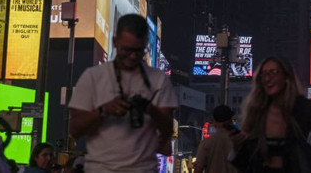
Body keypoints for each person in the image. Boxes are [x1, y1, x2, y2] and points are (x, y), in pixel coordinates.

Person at [69, 14, 177, 173]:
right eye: (127, 49)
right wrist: (103, 110)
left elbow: (167, 130)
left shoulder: (159, 80)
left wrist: (151, 110)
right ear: (115, 42)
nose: (133, 56)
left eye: (139, 50)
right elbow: (74, 129)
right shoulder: (93, 77)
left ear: (145, 45)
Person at [233, 57, 311, 172]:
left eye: (273, 72)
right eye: (264, 74)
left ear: (287, 77)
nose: (268, 78)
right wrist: (237, 147)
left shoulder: (309, 110)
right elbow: (244, 162)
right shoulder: (256, 111)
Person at [194, 105, 238, 173]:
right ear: (230, 122)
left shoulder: (206, 143)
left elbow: (198, 169)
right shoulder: (239, 142)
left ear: (214, 123)